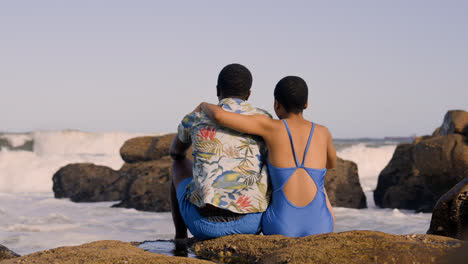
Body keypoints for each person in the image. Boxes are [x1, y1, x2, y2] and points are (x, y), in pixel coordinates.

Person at [200, 76, 337, 237]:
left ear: (276, 104)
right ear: (306, 104)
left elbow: (219, 116)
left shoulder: (270, 127)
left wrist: (204, 105)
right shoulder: (323, 132)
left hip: (281, 226)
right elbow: (331, 164)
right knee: (318, 182)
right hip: (322, 226)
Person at [169, 63, 272, 240]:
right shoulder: (264, 119)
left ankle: (180, 237)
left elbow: (175, 152)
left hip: (203, 226)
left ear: (218, 90)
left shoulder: (197, 116)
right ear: (248, 94)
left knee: (177, 163)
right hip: (251, 223)